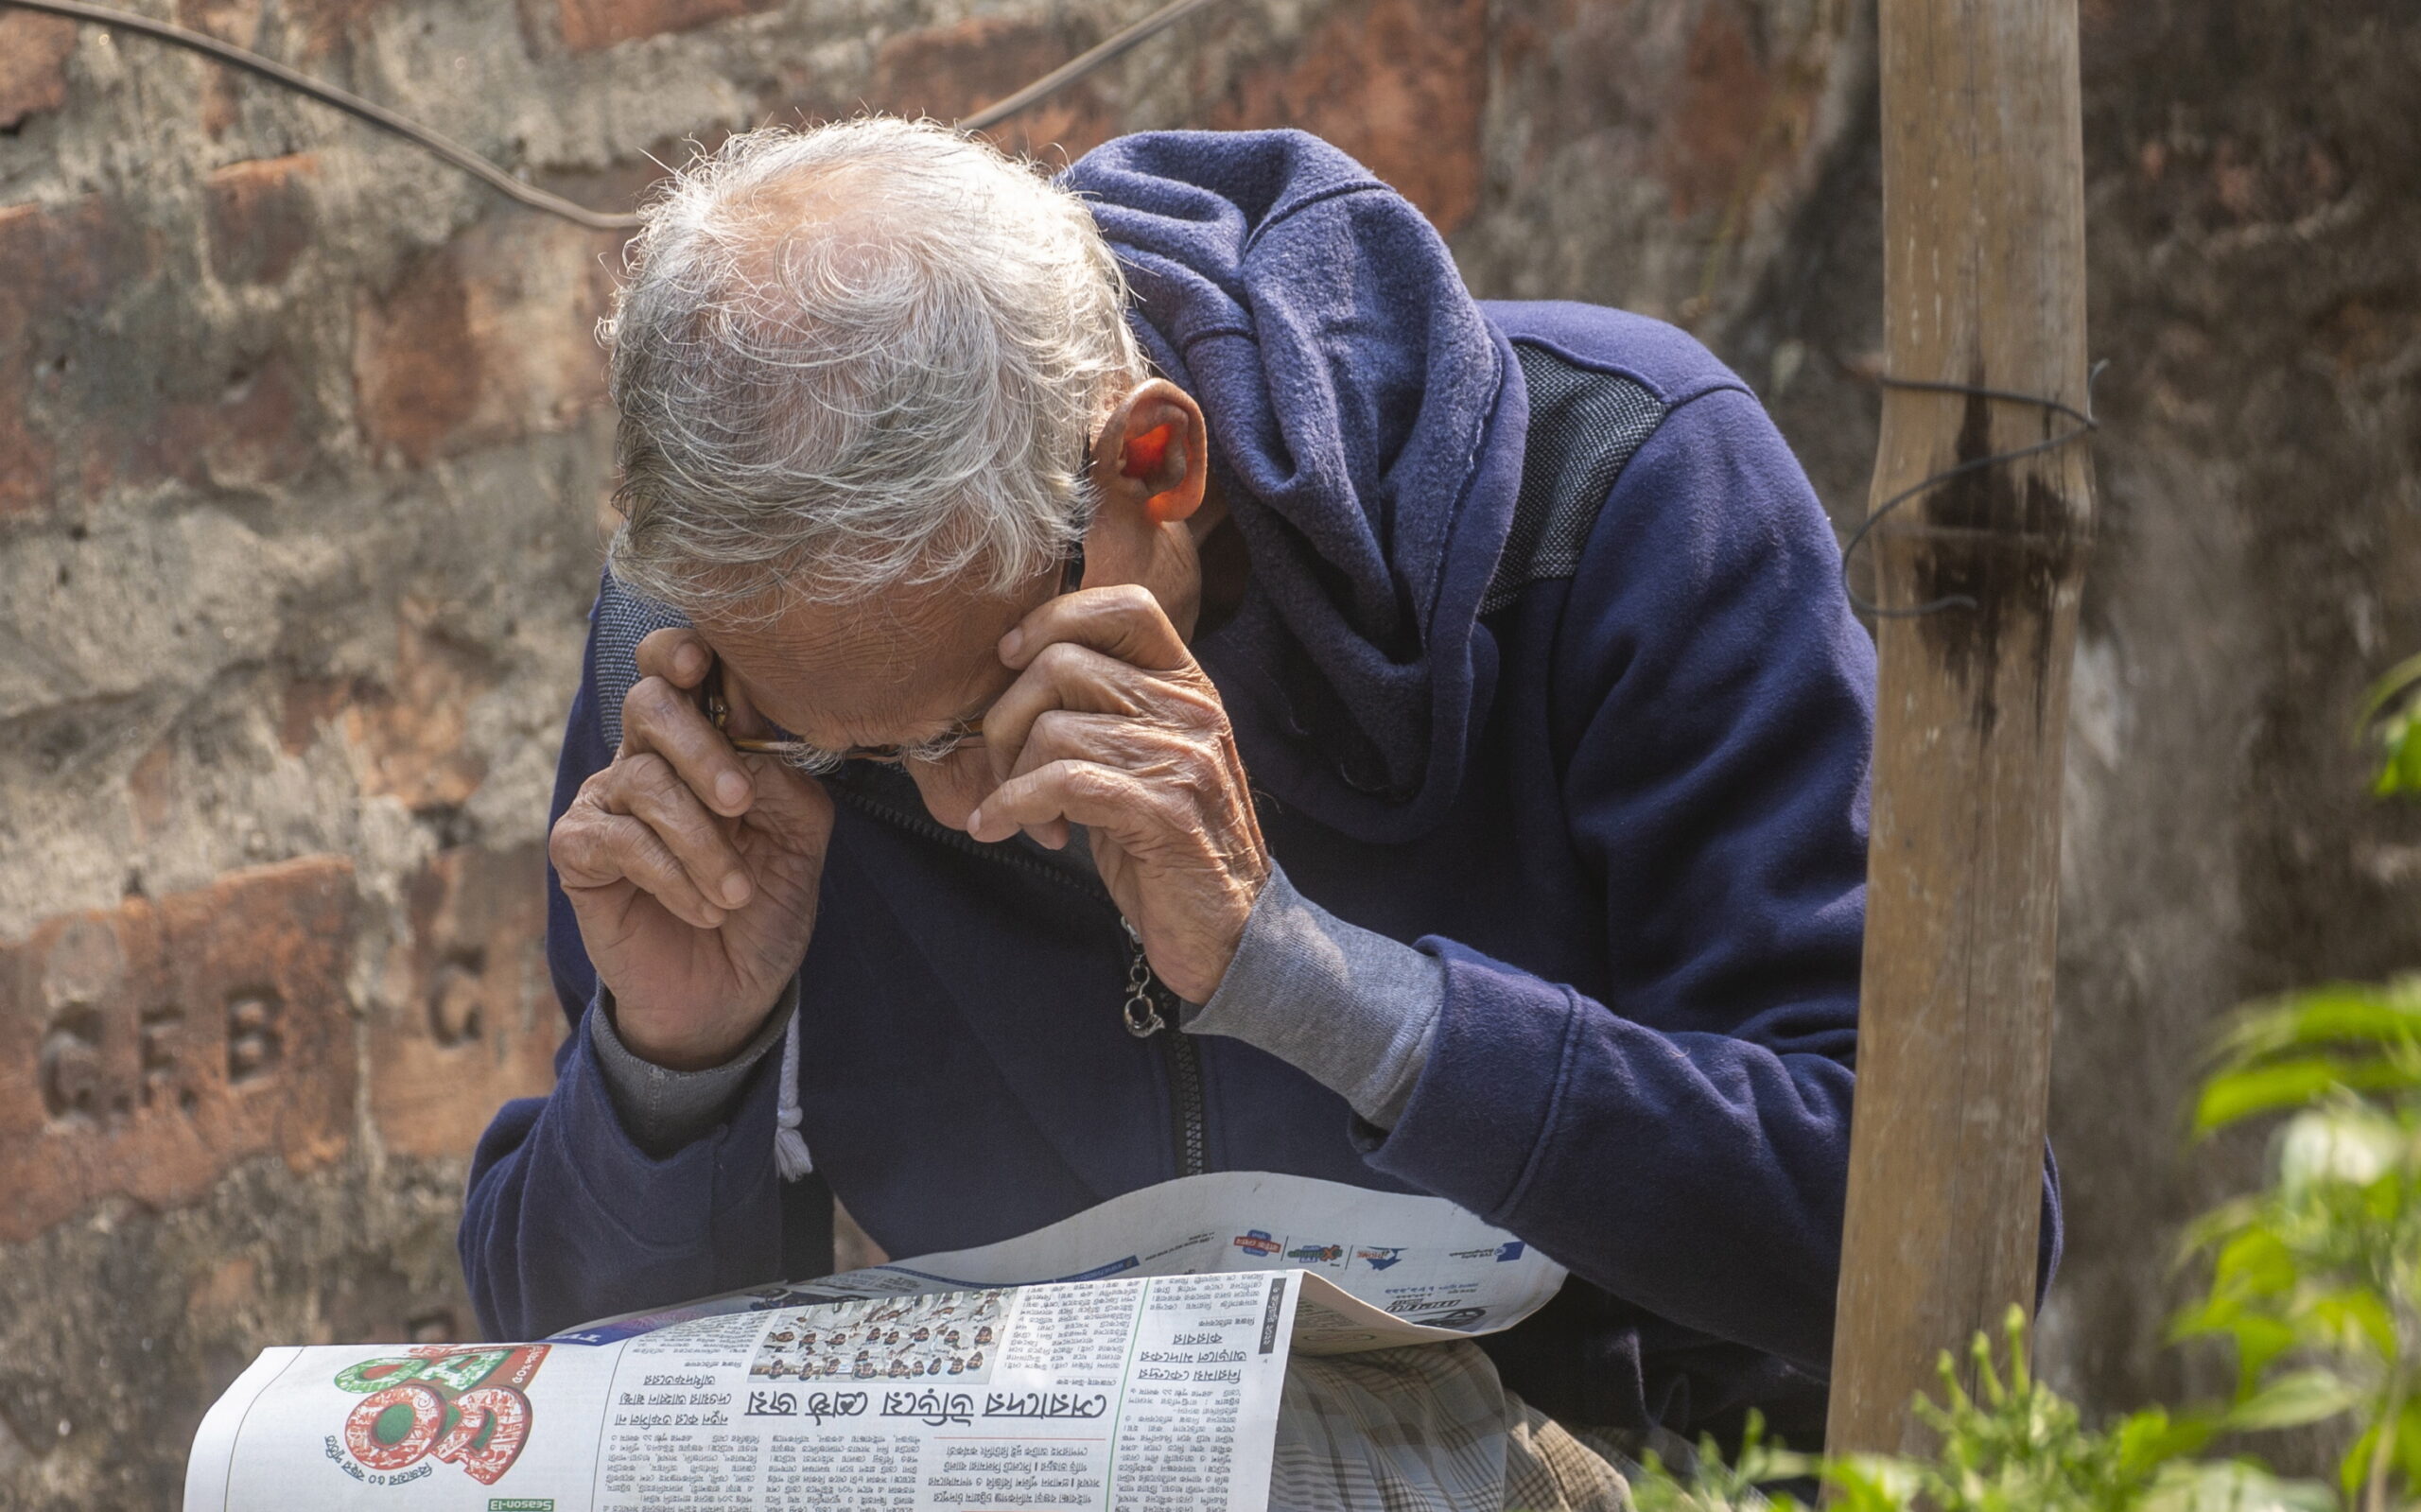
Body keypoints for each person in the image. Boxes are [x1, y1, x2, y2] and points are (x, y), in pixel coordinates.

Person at [460, 117, 2059, 1467]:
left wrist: (1311, 985)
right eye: (848, 756)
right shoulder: (696, 665)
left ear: (1153, 464)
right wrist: (675, 1068)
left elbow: (1942, 1246)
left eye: (978, 713)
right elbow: (611, 1397)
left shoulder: (1625, 488)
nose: (957, 815)